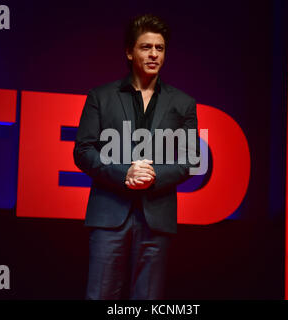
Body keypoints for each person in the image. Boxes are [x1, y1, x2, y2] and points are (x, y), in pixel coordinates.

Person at [73, 13, 199, 300]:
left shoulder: (183, 103)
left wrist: (152, 177)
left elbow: (191, 159)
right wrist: (124, 174)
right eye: (146, 47)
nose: (154, 54)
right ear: (129, 52)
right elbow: (83, 151)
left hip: (156, 217)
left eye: (160, 48)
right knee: (100, 296)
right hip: (108, 214)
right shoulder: (100, 97)